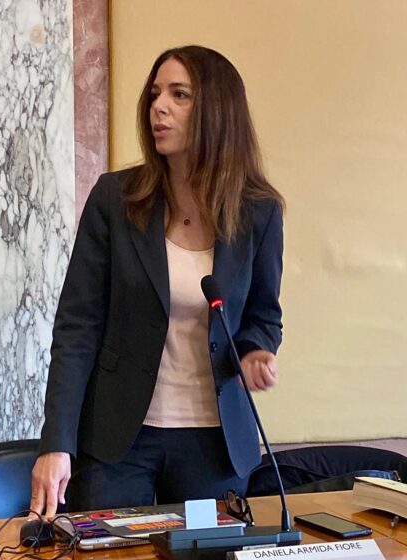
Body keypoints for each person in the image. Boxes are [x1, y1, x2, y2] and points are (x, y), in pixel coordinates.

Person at [30, 45, 284, 517]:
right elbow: (77, 328)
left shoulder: (259, 211)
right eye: (154, 94)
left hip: (215, 444)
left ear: (217, 110)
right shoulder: (115, 198)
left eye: (179, 95)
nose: (158, 107)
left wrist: (255, 350)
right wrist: (57, 443)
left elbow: (264, 314)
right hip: (117, 441)